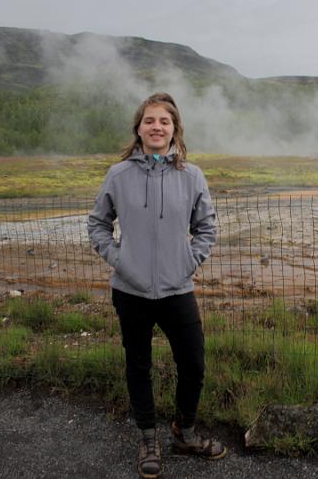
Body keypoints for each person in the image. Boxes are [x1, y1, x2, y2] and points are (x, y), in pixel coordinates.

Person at [87, 92, 226, 478]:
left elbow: (206, 228)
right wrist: (118, 259)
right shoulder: (119, 175)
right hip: (130, 290)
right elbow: (97, 224)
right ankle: (148, 438)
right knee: (139, 364)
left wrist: (189, 261)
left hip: (177, 289)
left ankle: (185, 432)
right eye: (150, 120)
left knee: (194, 364)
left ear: (174, 129)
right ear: (139, 128)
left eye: (164, 121)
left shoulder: (192, 175)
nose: (156, 127)